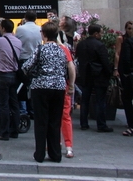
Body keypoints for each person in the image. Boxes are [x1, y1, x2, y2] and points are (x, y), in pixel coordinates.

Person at [23, 22, 67, 163]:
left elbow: (27, 66)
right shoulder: (63, 49)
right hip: (59, 87)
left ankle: (40, 154)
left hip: (41, 87)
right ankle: (55, 154)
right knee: (55, 121)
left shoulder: (41, 49)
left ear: (45, 34)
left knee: (41, 121)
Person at [77, 23, 113, 132]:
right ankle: (101, 125)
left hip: (85, 75)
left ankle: (84, 123)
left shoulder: (81, 44)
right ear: (96, 33)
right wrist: (109, 73)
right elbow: (105, 61)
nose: (101, 34)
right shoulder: (100, 45)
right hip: (99, 75)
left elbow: (78, 58)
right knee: (100, 100)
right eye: (101, 32)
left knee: (85, 100)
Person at [0, 19, 22, 140]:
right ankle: (15, 130)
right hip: (14, 75)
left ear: (2, 28)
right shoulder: (18, 42)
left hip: (2, 74)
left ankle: (4, 132)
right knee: (14, 104)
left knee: (3, 105)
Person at [16, 10, 41, 116]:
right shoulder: (40, 29)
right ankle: (33, 110)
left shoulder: (20, 29)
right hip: (36, 59)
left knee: (22, 86)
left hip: (24, 58)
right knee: (33, 85)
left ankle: (23, 110)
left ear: (25, 17)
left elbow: (17, 42)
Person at [58, 30, 77, 158]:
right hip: (63, 85)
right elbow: (71, 67)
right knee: (65, 116)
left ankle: (56, 143)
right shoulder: (64, 49)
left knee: (53, 116)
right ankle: (69, 147)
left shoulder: (43, 48)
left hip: (50, 87)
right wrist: (71, 84)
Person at [118, 20, 133, 136]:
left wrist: (126, 72)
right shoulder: (124, 40)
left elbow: (126, 59)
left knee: (127, 99)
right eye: (129, 28)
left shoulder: (128, 42)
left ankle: (131, 125)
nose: (131, 31)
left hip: (129, 75)